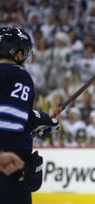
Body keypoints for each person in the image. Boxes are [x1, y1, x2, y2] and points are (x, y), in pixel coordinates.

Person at [0, 27, 59, 204]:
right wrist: (37, 121)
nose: (25, 58)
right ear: (15, 52)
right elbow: (9, 126)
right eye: (24, 52)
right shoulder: (18, 76)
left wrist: (35, 121)